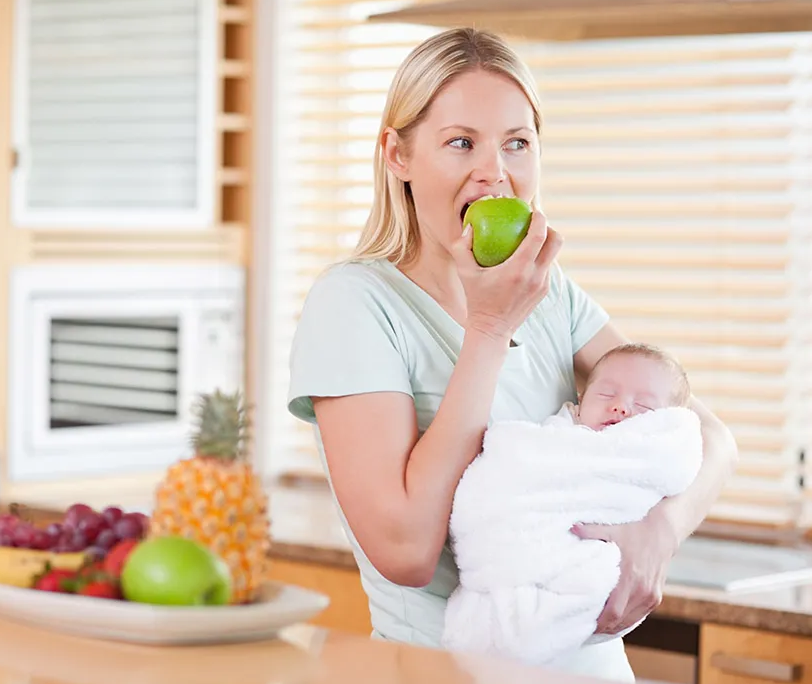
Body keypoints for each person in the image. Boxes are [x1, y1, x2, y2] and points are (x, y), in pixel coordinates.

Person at [287, 27, 738, 683]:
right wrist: (489, 327)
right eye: (460, 142)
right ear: (397, 154)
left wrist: (657, 534)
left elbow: (712, 437)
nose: (493, 171)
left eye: (516, 143)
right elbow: (405, 550)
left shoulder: (550, 295)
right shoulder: (354, 304)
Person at [442, 342, 704, 667]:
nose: (621, 407)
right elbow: (504, 473)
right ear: (581, 402)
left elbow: (680, 469)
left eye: (644, 407)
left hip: (584, 578)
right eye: (606, 395)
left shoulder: (650, 457)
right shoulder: (553, 439)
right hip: (507, 558)